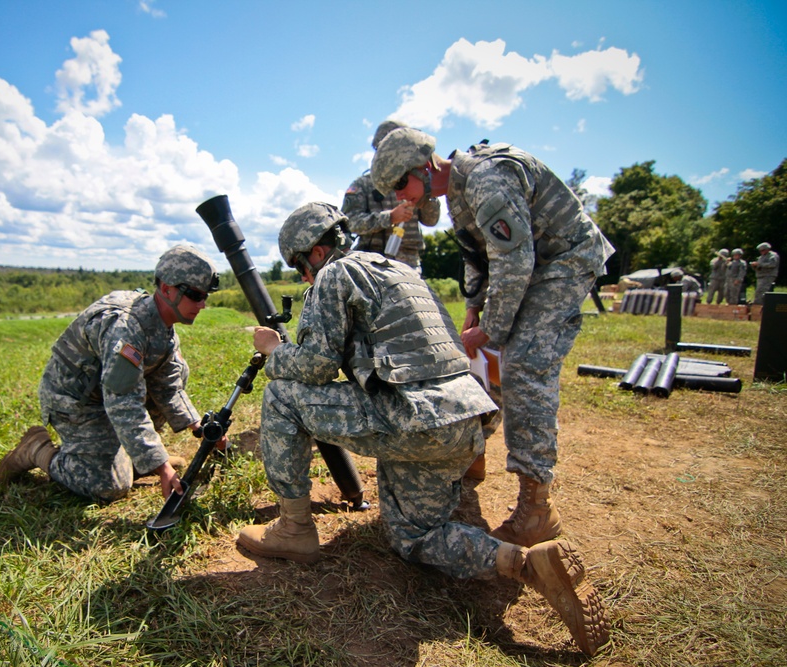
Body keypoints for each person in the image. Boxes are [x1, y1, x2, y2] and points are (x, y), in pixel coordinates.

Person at [235, 202, 610, 656]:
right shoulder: (404, 272)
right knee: (414, 536)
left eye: (300, 267)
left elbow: (315, 366)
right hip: (464, 426)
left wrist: (275, 351)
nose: (303, 278)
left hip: (413, 420)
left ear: (315, 252)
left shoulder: (336, 275)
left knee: (281, 397)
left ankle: (293, 529)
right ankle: (527, 564)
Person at [371, 129, 614, 548]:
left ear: (423, 167)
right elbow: (477, 257)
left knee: (522, 362)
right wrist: (471, 311)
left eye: (400, 185)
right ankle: (474, 450)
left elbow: (514, 259)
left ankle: (537, 509)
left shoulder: (488, 177)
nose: (402, 198)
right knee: (484, 355)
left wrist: (492, 328)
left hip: (564, 259)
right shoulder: (457, 195)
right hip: (531, 264)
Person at [0, 244, 224, 504]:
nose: (203, 304)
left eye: (205, 295)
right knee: (110, 486)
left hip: (105, 397)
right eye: (195, 295)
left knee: (178, 370)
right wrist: (161, 466)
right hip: (76, 402)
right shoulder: (125, 328)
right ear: (166, 289)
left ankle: (136, 458)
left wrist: (201, 427)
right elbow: (123, 401)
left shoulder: (163, 327)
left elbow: (168, 387)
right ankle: (37, 450)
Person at [341, 120, 441, 271]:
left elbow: (431, 220)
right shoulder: (363, 185)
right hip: (372, 264)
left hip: (409, 262)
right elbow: (350, 223)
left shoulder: (419, 179)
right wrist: (390, 217)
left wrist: (426, 194)